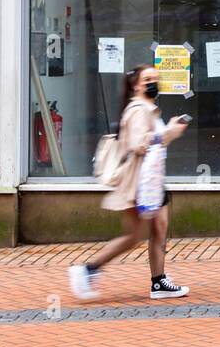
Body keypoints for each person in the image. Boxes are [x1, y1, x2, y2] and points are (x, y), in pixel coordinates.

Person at [69, 64, 191, 300]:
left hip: (152, 178)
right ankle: (88, 270)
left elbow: (152, 142)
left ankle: (158, 282)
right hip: (139, 182)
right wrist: (170, 133)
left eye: (155, 78)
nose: (153, 83)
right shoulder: (137, 109)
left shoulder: (149, 108)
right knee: (133, 236)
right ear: (136, 85)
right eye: (147, 79)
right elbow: (139, 144)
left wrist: (169, 128)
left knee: (160, 229)